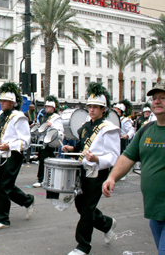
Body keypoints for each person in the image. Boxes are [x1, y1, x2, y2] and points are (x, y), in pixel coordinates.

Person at [103, 80, 165, 255]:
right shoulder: (146, 130)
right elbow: (127, 157)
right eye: (154, 99)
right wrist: (112, 177)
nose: (157, 102)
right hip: (154, 212)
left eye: (162, 98)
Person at [61, 82, 119, 255]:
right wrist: (72, 149)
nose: (92, 110)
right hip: (82, 172)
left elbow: (114, 156)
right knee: (81, 206)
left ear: (104, 109)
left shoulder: (109, 129)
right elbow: (82, 147)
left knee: (87, 209)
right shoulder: (86, 127)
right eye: (90, 106)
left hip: (97, 173)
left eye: (96, 107)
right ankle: (106, 224)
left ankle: (83, 246)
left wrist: (97, 159)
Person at [0, 82, 34, 230]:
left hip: (14, 155)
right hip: (1, 153)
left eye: (4, 101)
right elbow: (2, 134)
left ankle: (2, 219)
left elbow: (26, 141)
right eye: (0, 100)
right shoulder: (1, 115)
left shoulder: (19, 117)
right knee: (5, 185)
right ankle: (27, 201)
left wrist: (9, 146)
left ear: (12, 103)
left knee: (2, 186)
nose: (1, 103)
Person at [34, 96, 63, 188]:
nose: (47, 108)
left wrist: (52, 125)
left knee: (44, 159)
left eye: (49, 107)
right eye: (46, 107)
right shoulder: (43, 117)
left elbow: (59, 129)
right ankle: (46, 178)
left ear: (53, 108)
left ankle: (42, 179)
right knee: (43, 159)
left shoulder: (56, 117)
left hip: (50, 141)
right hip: (43, 140)